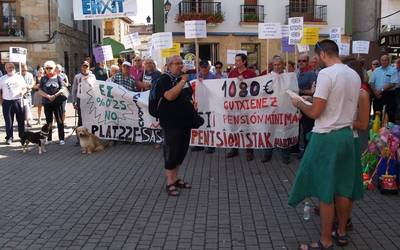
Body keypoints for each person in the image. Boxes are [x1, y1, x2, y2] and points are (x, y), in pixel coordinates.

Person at [288, 40, 362, 250]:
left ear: (321, 54)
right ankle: (341, 232)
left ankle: (325, 241)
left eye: (316, 56)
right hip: (347, 136)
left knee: (325, 190)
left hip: (327, 136)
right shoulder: (353, 75)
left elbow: (315, 113)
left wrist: (299, 103)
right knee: (343, 188)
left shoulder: (326, 74)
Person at [157, 55, 194, 196]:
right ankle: (170, 183)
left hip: (184, 121)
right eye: (176, 63)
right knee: (171, 153)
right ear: (169, 65)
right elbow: (169, 96)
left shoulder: (181, 80)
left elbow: (188, 93)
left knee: (181, 152)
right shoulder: (163, 80)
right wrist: (183, 81)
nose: (179, 66)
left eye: (181, 63)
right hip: (171, 123)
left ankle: (176, 178)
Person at [226, 53, 257, 161]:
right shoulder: (232, 73)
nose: (236, 62)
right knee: (234, 126)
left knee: (248, 127)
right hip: (235, 105)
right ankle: (234, 149)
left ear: (244, 61)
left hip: (247, 105)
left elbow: (256, 88)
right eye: (235, 60)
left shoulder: (251, 73)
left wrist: (245, 81)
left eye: (238, 60)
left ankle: (249, 150)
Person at [262, 56, 292, 164]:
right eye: (275, 65)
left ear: (283, 64)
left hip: (285, 110)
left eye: (279, 64)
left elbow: (294, 92)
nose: (277, 66)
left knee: (285, 132)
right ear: (272, 65)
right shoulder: (267, 77)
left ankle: (285, 156)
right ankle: (267, 154)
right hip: (271, 110)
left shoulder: (289, 77)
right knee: (269, 131)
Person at [37, 60, 67, 145]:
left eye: (50, 68)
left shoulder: (58, 77)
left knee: (59, 120)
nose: (49, 69)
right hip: (47, 102)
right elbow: (39, 90)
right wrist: (48, 96)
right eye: (47, 68)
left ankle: (61, 138)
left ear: (54, 68)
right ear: (45, 69)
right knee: (48, 121)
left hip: (57, 102)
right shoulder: (43, 78)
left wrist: (55, 95)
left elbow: (62, 88)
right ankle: (49, 138)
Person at [190, 60, 216, 153]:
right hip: (198, 104)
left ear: (209, 68)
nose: (204, 69)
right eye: (203, 68)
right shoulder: (195, 76)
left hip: (209, 104)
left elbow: (214, 89)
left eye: (206, 67)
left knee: (209, 125)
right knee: (197, 124)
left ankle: (211, 145)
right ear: (199, 68)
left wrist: (204, 82)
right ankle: (198, 144)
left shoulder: (212, 76)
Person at [0, 62, 27, 144]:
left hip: (18, 101)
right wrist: (1, 100)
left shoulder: (19, 77)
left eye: (12, 67)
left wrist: (23, 92)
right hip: (7, 102)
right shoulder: (2, 79)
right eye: (8, 67)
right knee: (8, 121)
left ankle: (22, 136)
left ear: (14, 68)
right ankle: (9, 137)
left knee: (21, 120)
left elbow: (25, 88)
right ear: (6, 69)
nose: (10, 68)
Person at [296, 54, 317, 157]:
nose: (301, 63)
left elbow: (314, 91)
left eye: (303, 61)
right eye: (299, 61)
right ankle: (296, 148)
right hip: (297, 105)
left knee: (307, 129)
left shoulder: (312, 74)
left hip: (307, 104)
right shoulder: (298, 73)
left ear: (307, 62)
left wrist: (300, 91)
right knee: (297, 128)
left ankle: (307, 151)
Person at [72, 61, 97, 143]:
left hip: (90, 99)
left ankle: (91, 136)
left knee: (91, 118)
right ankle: (79, 139)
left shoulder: (92, 76)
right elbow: (74, 89)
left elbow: (95, 87)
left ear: (89, 67)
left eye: (86, 66)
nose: (85, 68)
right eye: (84, 66)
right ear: (81, 67)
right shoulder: (77, 77)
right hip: (80, 99)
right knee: (81, 119)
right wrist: (74, 101)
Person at [369, 55, 398, 122]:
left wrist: (380, 90)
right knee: (377, 112)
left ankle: (389, 128)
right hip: (377, 94)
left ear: (389, 61)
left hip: (389, 94)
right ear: (380, 61)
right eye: (382, 60)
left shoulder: (393, 70)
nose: (383, 62)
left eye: (385, 60)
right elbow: (371, 82)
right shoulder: (376, 70)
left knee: (390, 113)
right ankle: (376, 126)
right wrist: (375, 92)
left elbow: (393, 83)